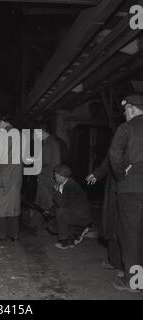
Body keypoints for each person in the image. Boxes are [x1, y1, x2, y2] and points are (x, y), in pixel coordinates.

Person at [109, 94, 143, 292]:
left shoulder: (126, 128)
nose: (125, 114)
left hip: (132, 189)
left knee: (131, 235)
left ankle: (135, 280)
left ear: (130, 108)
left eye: (125, 111)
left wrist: (121, 175)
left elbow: (115, 154)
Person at [0, 115, 23, 242]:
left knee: (0, 206)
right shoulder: (18, 133)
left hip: (3, 176)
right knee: (12, 206)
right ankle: (13, 234)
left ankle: (0, 234)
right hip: (15, 175)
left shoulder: (3, 134)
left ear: (2, 122)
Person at [86, 157, 123, 273]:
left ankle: (121, 264)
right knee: (114, 224)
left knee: (117, 224)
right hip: (124, 186)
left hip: (124, 187)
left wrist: (98, 173)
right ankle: (116, 262)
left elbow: (114, 154)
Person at [47, 164, 92, 250]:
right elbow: (62, 203)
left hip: (82, 216)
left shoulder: (71, 185)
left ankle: (65, 241)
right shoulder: (64, 184)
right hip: (74, 212)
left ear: (62, 176)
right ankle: (75, 233)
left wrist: (56, 193)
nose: (54, 176)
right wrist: (49, 211)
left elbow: (62, 203)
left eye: (56, 174)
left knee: (61, 212)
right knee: (52, 223)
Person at [33, 124, 61, 230]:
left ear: (43, 131)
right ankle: (35, 223)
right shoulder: (52, 142)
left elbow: (46, 161)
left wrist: (35, 160)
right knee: (41, 201)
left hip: (47, 177)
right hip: (49, 176)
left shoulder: (49, 143)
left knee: (47, 202)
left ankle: (56, 226)